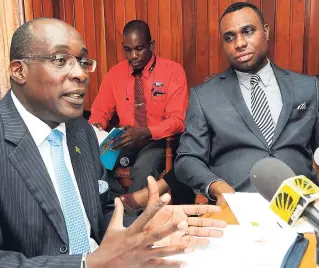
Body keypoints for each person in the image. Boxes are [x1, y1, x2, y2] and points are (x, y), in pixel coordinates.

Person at [0, 18, 227, 268]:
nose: (80, 73)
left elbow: (101, 212)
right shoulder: (87, 125)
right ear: (19, 71)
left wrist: (142, 232)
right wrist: (86, 264)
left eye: (83, 62)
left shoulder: (79, 131)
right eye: (60, 60)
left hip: (157, 142)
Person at [175, 2, 319, 205]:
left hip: (301, 208)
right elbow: (187, 159)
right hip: (239, 211)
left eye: (248, 31)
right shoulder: (204, 96)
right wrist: (215, 186)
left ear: (266, 32)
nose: (239, 43)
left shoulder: (307, 87)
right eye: (229, 37)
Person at [89, 20, 188, 194]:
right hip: (125, 140)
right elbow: (99, 112)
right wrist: (96, 127)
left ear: (151, 45)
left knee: (143, 170)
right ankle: (113, 207)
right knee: (93, 164)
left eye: (139, 48)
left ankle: (131, 216)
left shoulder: (173, 71)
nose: (133, 56)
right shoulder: (115, 74)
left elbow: (177, 121)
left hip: (158, 141)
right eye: (128, 50)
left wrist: (143, 132)